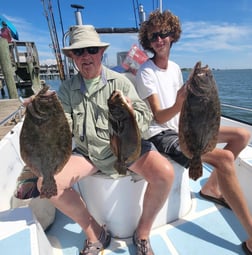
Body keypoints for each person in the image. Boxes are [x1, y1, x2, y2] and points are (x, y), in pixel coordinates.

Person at [25, 25, 173, 255]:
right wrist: (38, 112)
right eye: (79, 52)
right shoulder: (66, 90)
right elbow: (61, 126)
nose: (86, 56)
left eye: (91, 50)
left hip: (125, 148)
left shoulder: (121, 82)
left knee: (165, 173)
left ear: (101, 53)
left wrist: (134, 114)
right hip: (89, 152)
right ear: (72, 57)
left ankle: (142, 233)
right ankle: (94, 232)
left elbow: (145, 115)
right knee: (47, 185)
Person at [135, 10, 252, 255]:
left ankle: (210, 187)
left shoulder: (176, 68)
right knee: (225, 158)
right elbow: (158, 116)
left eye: (164, 33)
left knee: (242, 135)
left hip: (184, 127)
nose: (159, 39)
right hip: (161, 134)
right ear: (148, 41)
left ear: (172, 36)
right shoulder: (146, 72)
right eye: (154, 36)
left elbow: (188, 108)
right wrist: (179, 103)